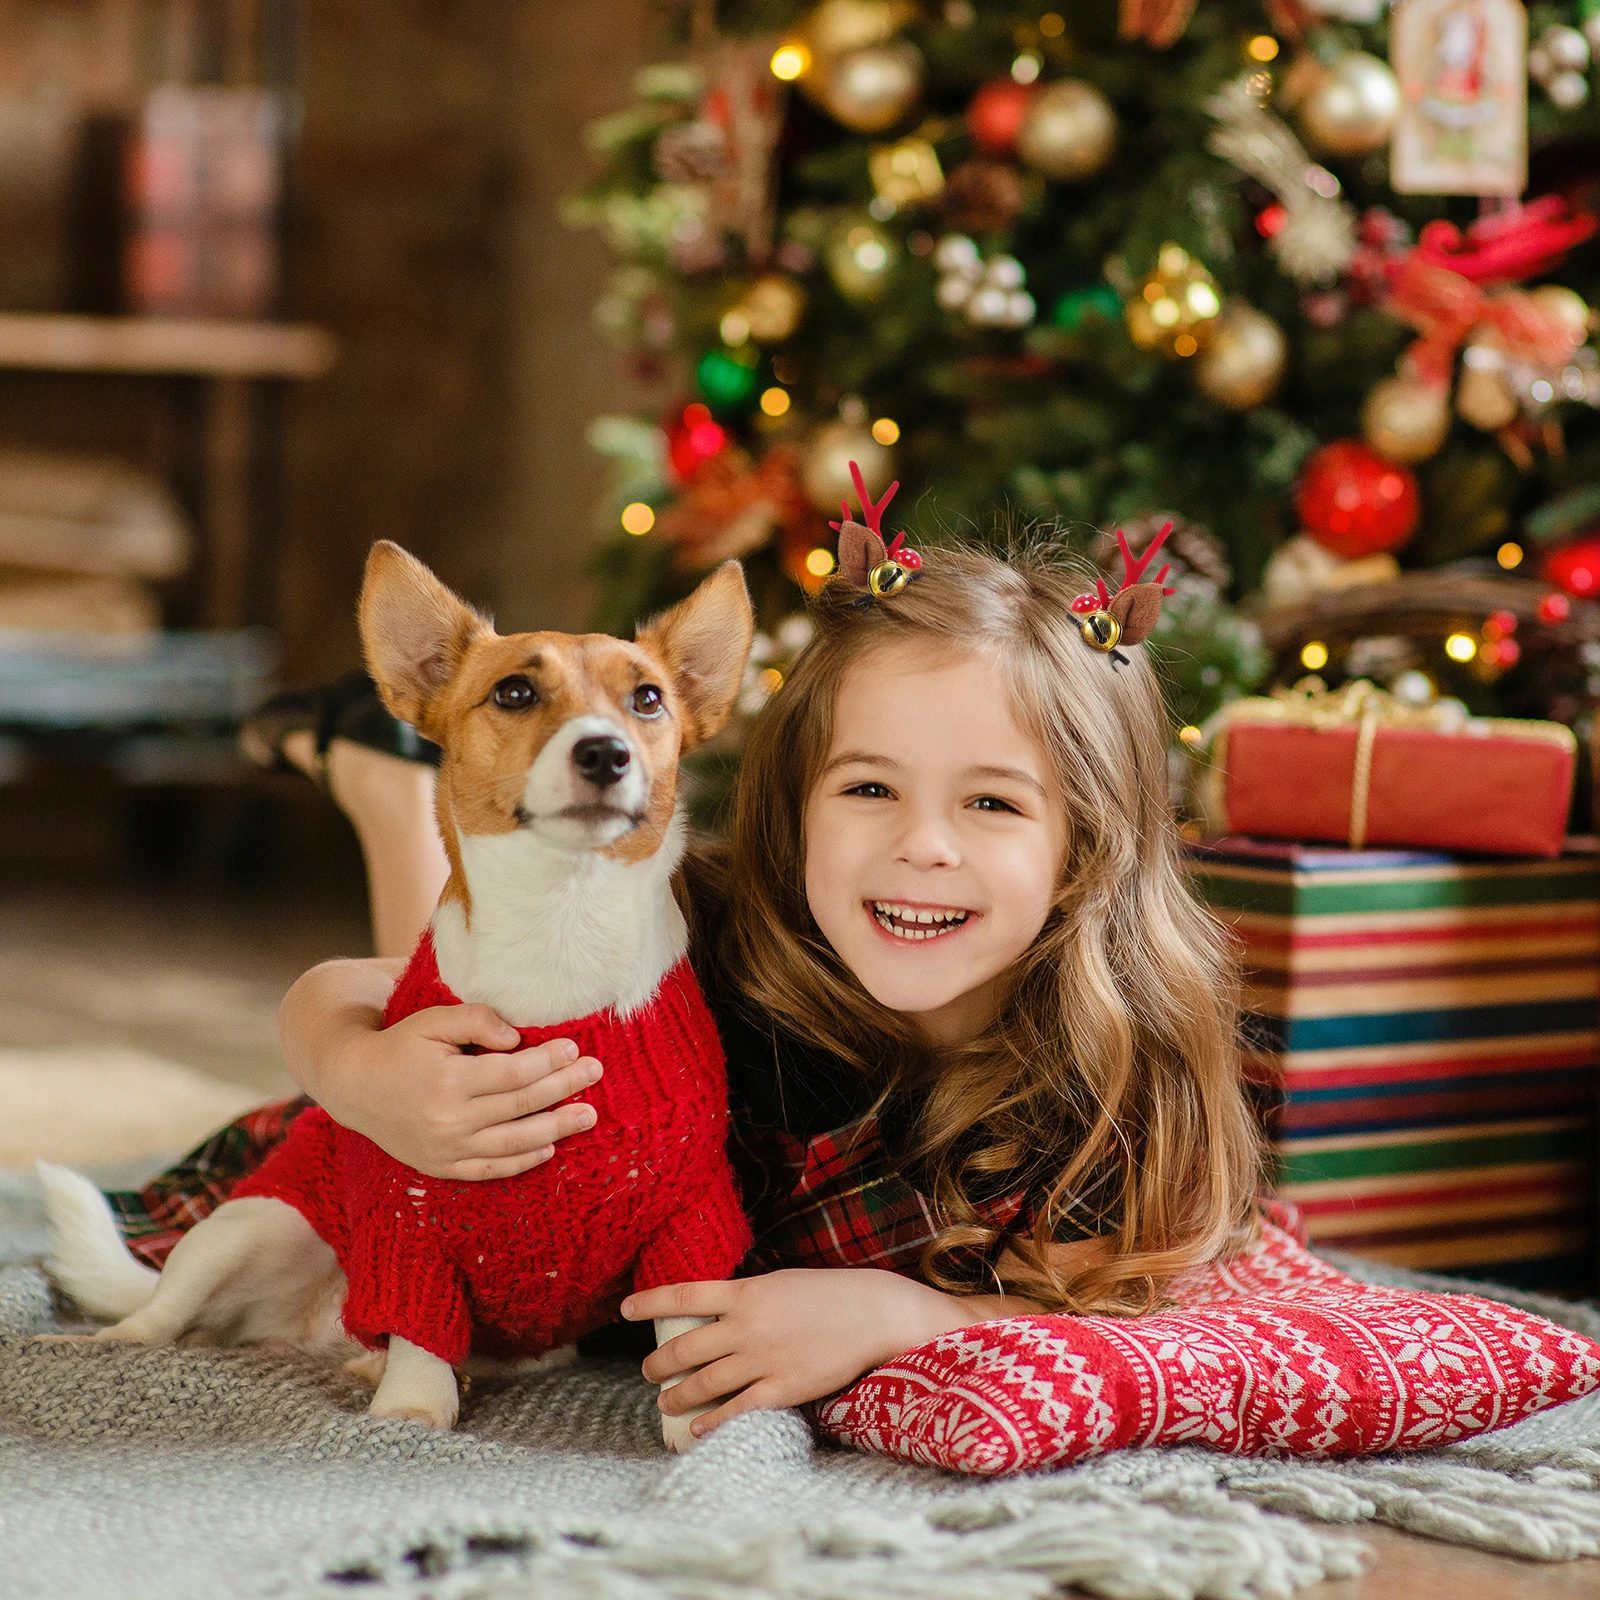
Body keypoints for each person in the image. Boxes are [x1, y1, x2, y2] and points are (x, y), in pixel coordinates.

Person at [108, 536, 1260, 1444]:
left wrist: (915, 1314)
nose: (923, 846)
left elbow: (1151, 1322)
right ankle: (391, 782)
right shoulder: (726, 924)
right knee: (494, 952)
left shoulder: (1122, 1085)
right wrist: (353, 1069)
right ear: (792, 796)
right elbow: (350, 991)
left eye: (992, 803)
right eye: (867, 787)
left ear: (1092, 840)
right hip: (427, 1177)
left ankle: (381, 770)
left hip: (592, 1279)